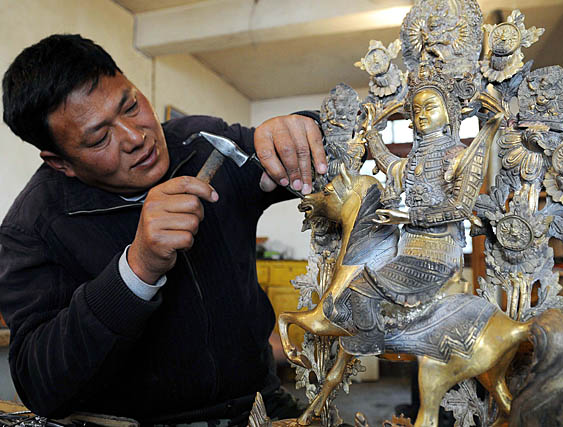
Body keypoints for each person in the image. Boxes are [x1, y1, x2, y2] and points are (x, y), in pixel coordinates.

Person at [0, 34, 326, 425]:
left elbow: (316, 148)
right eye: (100, 138)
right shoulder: (32, 229)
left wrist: (302, 129)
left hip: (259, 404)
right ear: (60, 162)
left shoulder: (201, 143)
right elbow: (40, 384)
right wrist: (136, 270)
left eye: (131, 105)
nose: (136, 137)